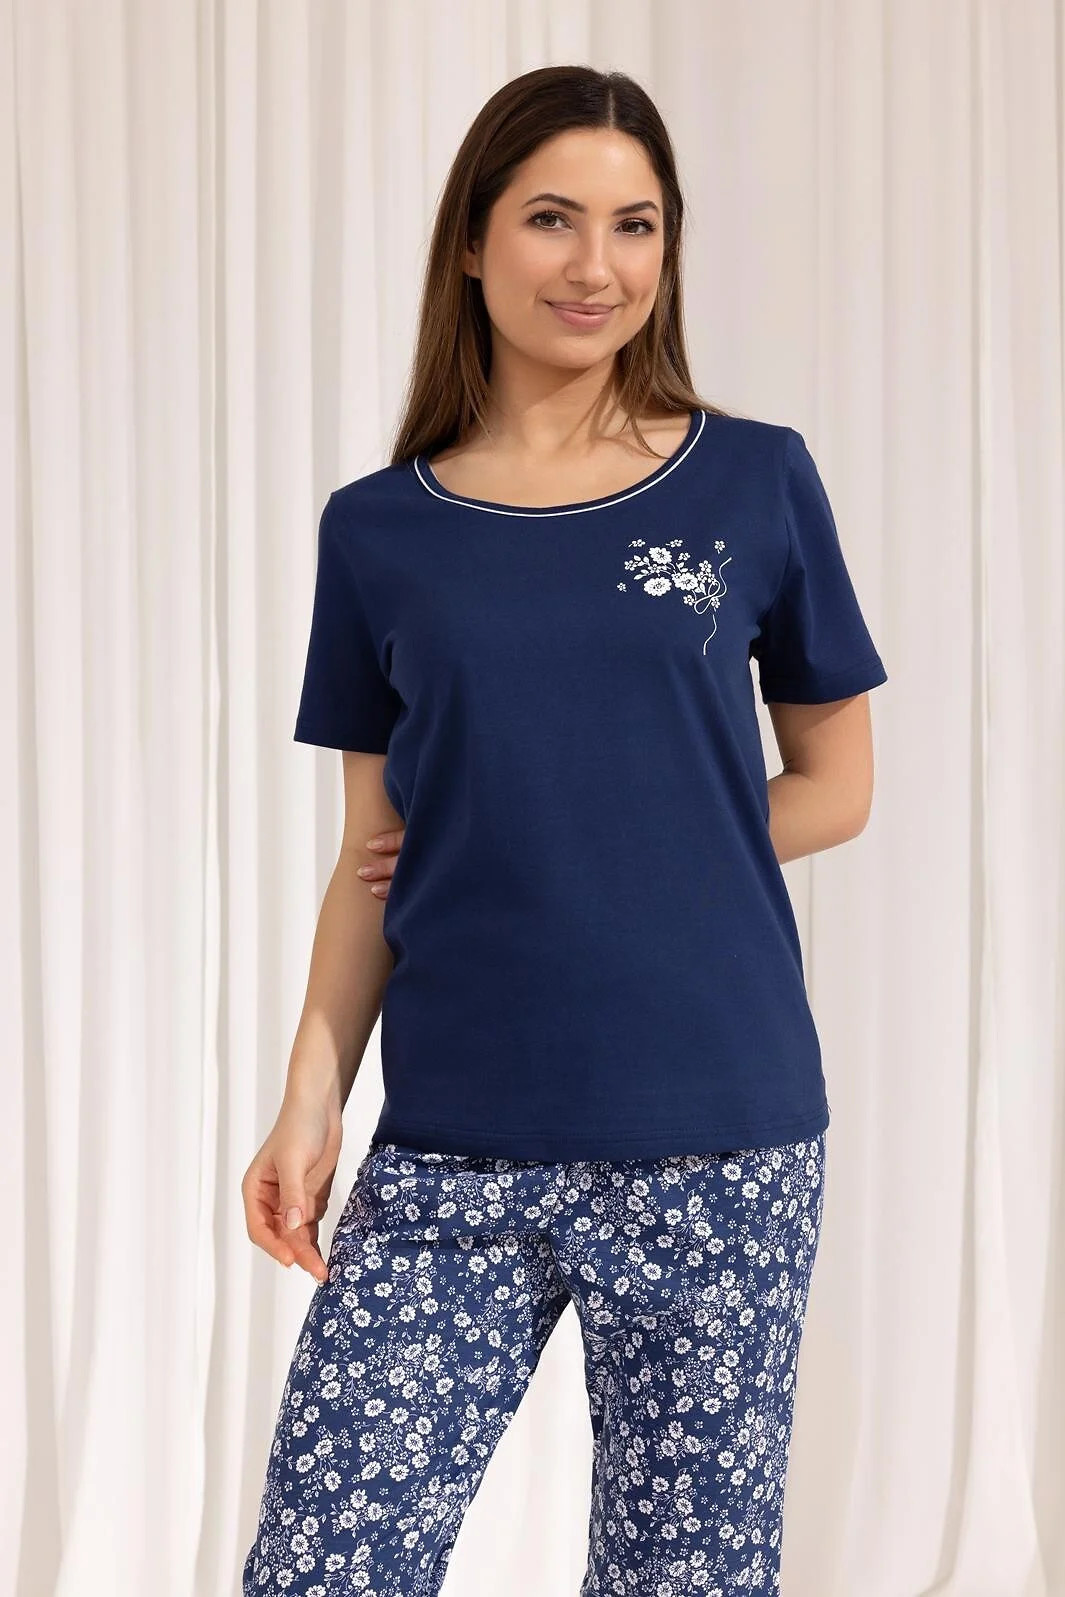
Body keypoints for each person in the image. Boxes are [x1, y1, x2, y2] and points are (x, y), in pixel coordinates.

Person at [240, 63, 888, 1597]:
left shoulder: (752, 479)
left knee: (683, 1577)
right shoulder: (379, 528)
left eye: (633, 224)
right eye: (550, 219)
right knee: (326, 1562)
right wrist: (308, 1102)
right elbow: (373, 855)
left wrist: (592, 842)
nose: (595, 265)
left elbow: (835, 784)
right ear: (471, 241)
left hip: (716, 1131)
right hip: (454, 1141)